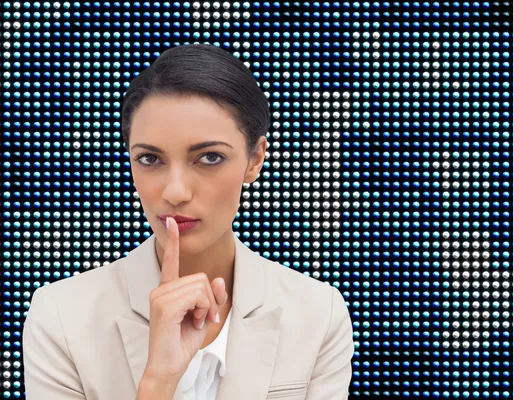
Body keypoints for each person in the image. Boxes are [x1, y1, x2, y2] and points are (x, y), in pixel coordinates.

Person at [22, 43, 355, 400]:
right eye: (150, 159)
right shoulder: (61, 316)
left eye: (209, 157)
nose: (176, 191)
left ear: (255, 159)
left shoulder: (317, 312)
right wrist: (158, 381)